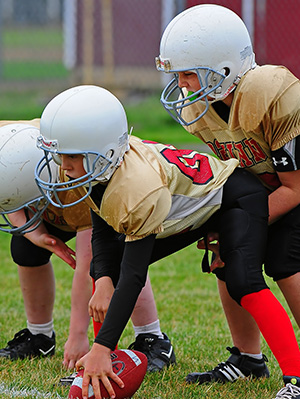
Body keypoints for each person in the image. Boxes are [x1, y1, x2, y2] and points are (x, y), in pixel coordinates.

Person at [34, 84, 300, 399]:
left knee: (243, 279)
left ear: (103, 152)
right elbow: (103, 225)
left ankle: (295, 379)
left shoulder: (137, 186)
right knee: (110, 267)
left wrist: (101, 345)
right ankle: (105, 362)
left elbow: (135, 276)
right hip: (192, 207)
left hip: (234, 199)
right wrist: (103, 279)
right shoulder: (98, 165)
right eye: (60, 154)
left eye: (71, 155)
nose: (64, 165)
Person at [156, 3, 300, 398]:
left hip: (296, 188)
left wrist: (241, 225)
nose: (182, 84)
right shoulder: (201, 105)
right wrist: (226, 226)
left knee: (286, 260)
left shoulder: (273, 93)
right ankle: (248, 359)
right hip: (267, 189)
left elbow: (295, 187)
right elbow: (233, 170)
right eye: (178, 74)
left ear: (223, 69)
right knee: (229, 256)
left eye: (188, 73)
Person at [0, 122, 176, 380]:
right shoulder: (11, 146)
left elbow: (88, 263)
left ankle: (152, 337)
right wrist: (34, 235)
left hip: (110, 199)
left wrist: (78, 335)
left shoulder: (77, 175)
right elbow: (9, 192)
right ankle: (40, 335)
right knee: (24, 247)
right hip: (50, 197)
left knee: (117, 256)